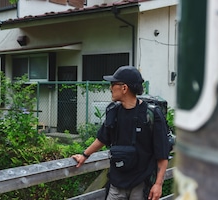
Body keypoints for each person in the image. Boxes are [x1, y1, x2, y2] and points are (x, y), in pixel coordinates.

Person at [72, 65, 169, 200]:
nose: (110, 88)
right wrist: (84, 155)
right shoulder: (113, 111)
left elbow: (162, 154)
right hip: (117, 182)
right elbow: (102, 139)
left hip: (141, 183)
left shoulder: (151, 115)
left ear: (124, 88)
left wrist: (158, 184)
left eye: (113, 84)